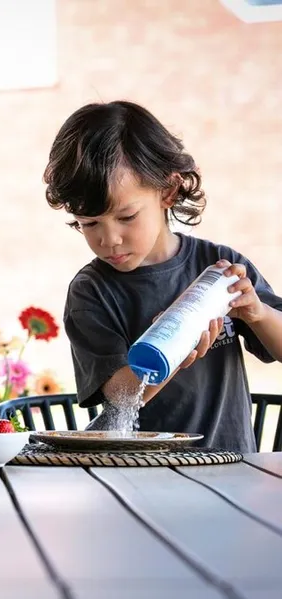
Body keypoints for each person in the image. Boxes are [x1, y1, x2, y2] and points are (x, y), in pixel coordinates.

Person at [43, 100, 282, 452]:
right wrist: (173, 349)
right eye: (90, 223)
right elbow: (122, 397)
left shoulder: (220, 267)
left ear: (167, 192)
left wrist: (258, 313)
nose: (110, 239)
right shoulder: (91, 292)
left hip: (231, 464)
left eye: (126, 217)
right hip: (142, 472)